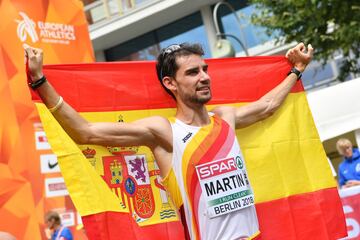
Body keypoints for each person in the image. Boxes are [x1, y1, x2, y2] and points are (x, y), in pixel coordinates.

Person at [24, 42, 313, 240]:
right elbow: (86, 132)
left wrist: (296, 70)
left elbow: (266, 107)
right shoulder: (164, 132)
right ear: (169, 83)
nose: (204, 77)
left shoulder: (225, 117)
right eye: (192, 72)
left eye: (204, 70)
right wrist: (40, 81)